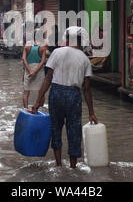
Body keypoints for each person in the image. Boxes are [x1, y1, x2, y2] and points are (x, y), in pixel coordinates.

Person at [32, 27, 98, 168]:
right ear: (81, 41)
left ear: (67, 39)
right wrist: (91, 113)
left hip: (56, 93)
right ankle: (73, 167)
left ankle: (58, 164)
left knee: (56, 129)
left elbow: (48, 78)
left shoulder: (56, 52)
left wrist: (38, 100)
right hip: (74, 96)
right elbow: (87, 89)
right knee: (74, 131)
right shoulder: (85, 59)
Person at [22, 33, 47, 109]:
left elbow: (23, 59)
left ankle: (26, 109)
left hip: (28, 70)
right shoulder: (43, 47)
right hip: (39, 71)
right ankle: (40, 109)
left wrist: (30, 71)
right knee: (41, 92)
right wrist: (35, 72)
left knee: (26, 92)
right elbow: (43, 62)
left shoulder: (27, 46)